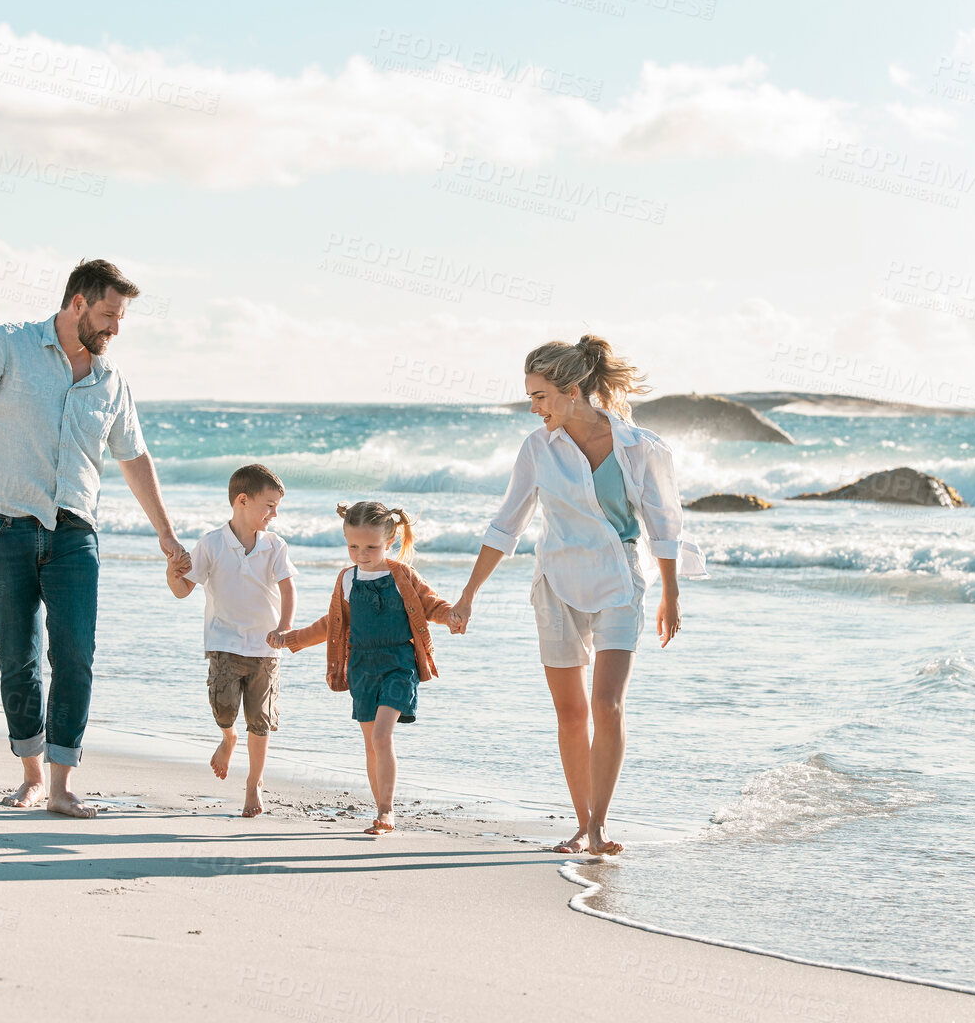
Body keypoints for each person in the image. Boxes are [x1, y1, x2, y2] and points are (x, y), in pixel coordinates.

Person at [0, 258, 188, 819]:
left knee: (76, 655)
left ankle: (61, 782)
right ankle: (29, 773)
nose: (116, 328)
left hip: (76, 532)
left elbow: (134, 458)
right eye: (108, 315)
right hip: (2, 524)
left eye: (120, 318)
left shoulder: (110, 379)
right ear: (77, 304)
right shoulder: (5, 346)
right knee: (18, 656)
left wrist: (167, 536)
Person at [449, 336, 706, 856]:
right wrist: (468, 594)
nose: (533, 407)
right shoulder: (537, 449)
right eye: (531, 397)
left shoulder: (641, 447)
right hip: (558, 585)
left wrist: (671, 594)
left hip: (619, 580)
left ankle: (599, 828)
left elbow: (664, 524)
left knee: (606, 704)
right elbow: (507, 524)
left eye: (540, 396)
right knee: (571, 713)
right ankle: (580, 820)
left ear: (571, 392)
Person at [279, 501, 455, 836]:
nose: (362, 553)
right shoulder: (347, 579)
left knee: (382, 735)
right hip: (361, 668)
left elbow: (430, 604)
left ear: (389, 542)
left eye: (371, 546)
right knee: (370, 744)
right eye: (353, 546)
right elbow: (333, 623)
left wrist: (452, 616)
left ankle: (387, 812)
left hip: (399, 665)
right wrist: (296, 638)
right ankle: (379, 809)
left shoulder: (402, 575)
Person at [165, 463, 297, 818]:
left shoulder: (275, 546)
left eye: (277, 507)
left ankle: (254, 785)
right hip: (223, 642)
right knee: (223, 707)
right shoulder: (211, 543)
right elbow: (183, 589)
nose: (274, 513)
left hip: (266, 647)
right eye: (269, 505)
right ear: (242, 500)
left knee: (261, 720)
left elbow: (288, 589)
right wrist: (170, 574)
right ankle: (228, 737)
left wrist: (285, 628)